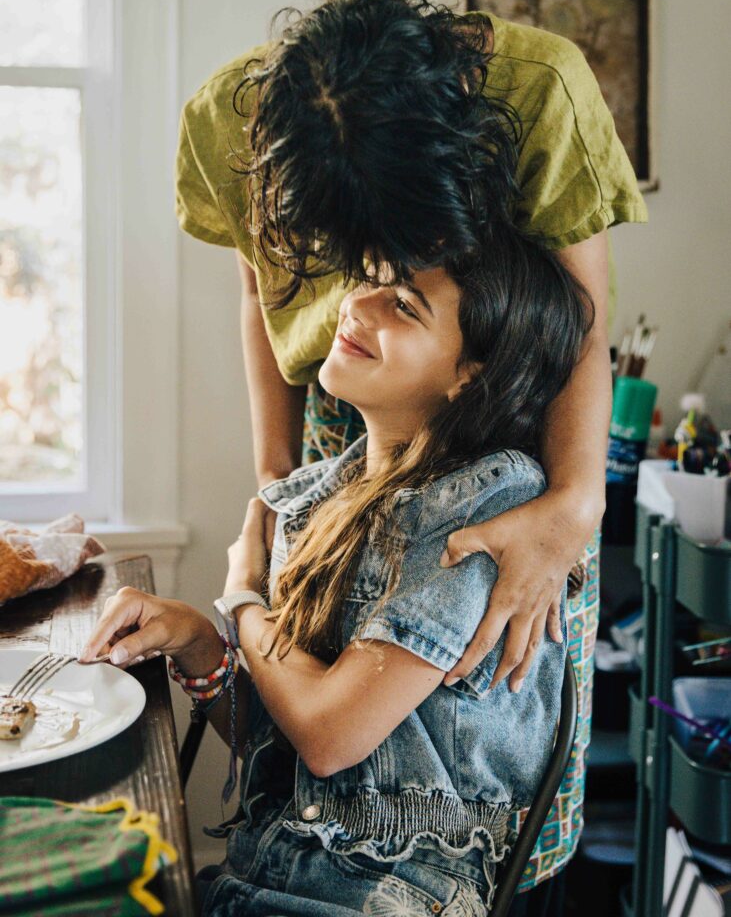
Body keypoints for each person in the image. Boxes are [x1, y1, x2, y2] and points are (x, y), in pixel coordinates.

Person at [174, 0, 648, 903]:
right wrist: (275, 482)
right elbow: (257, 293)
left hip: (514, 433)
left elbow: (580, 324)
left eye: (397, 276)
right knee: (325, 739)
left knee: (480, 760)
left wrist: (570, 505)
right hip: (353, 427)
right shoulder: (227, 128)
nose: (357, 287)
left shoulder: (539, 88)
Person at [81, 227, 593, 915]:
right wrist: (200, 645)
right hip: (266, 879)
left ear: (469, 374)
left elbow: (328, 736)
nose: (359, 305)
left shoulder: (488, 513)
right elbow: (293, 735)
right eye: (372, 279)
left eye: (405, 307)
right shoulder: (321, 500)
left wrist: (241, 601)